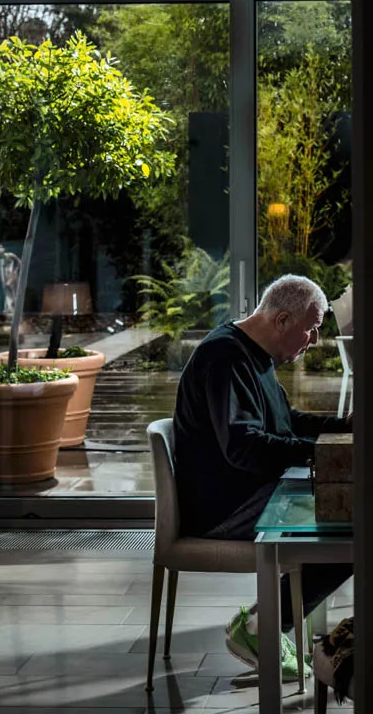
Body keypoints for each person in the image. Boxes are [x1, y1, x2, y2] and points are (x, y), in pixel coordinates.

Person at [173, 274, 353, 679]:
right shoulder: (225, 358)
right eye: (311, 328)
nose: (314, 340)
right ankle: (260, 627)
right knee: (348, 530)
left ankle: (266, 620)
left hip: (244, 491)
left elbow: (286, 422)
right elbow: (244, 447)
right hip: (223, 508)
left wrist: (342, 427)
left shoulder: (251, 354)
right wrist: (325, 452)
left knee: (346, 520)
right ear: (282, 320)